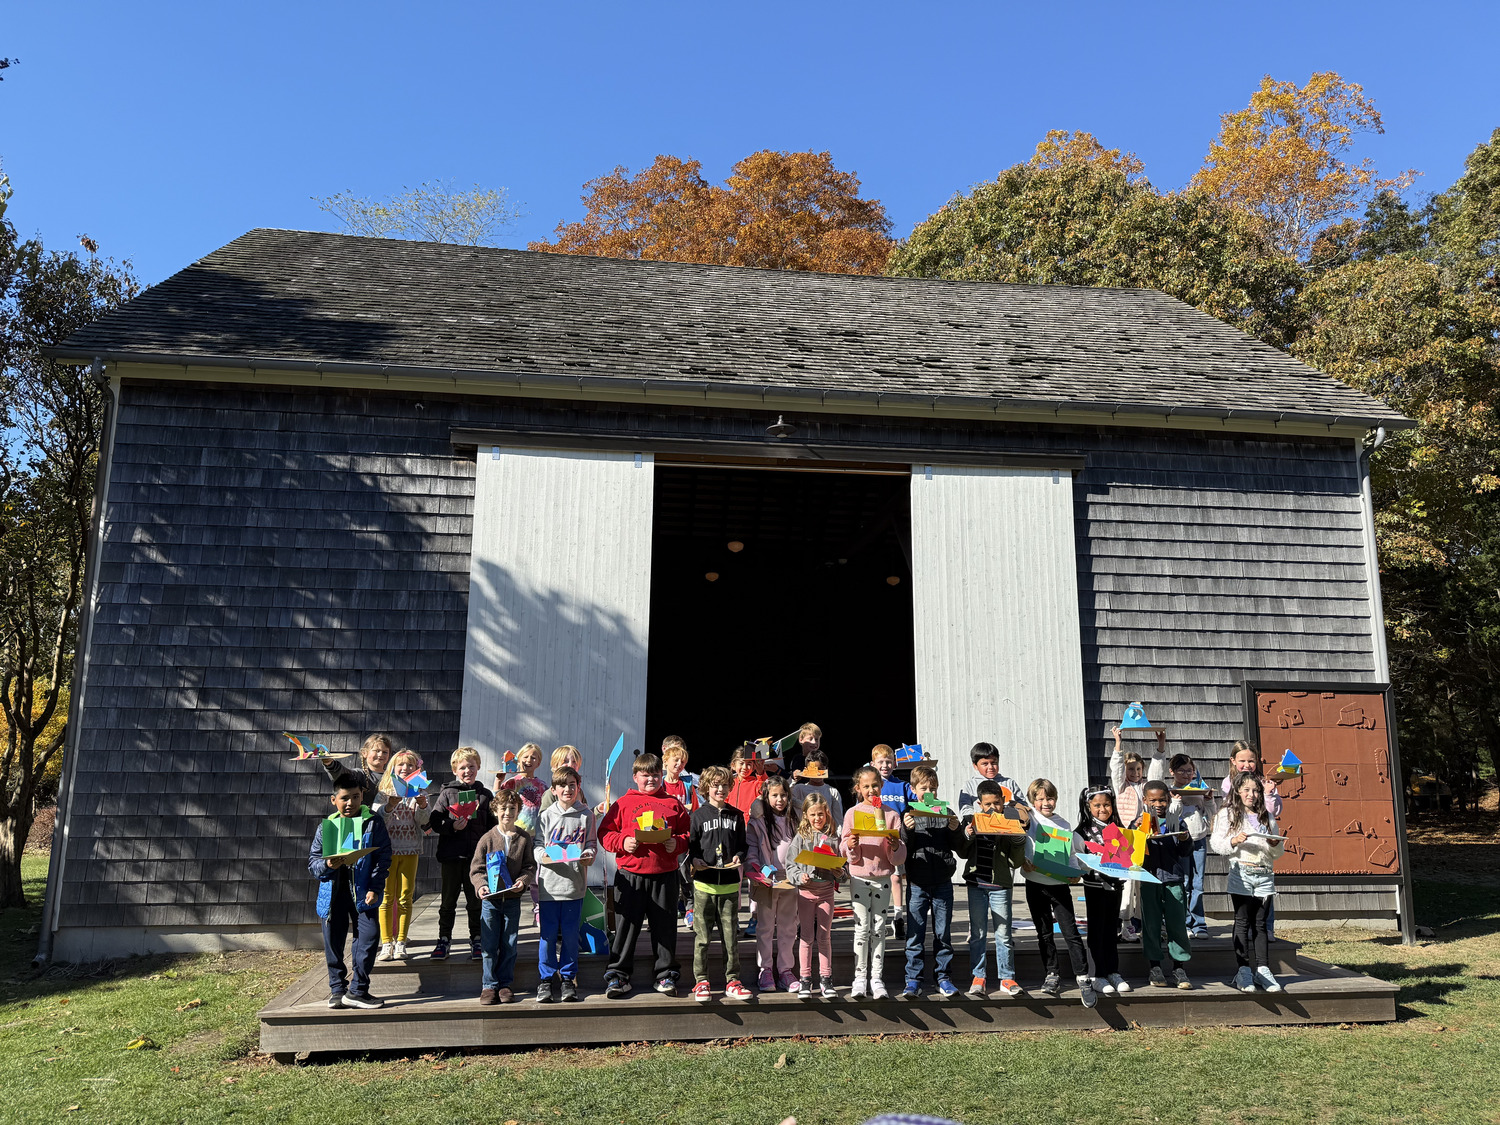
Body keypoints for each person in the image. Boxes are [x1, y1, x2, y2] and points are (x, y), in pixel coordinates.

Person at [598, 752, 691, 998]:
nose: (651, 780)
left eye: (655, 775)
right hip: (631, 876)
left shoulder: (673, 803)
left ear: (662, 776)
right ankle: (618, 975)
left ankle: (665, 975)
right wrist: (623, 841)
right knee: (626, 927)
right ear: (635, 777)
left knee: (665, 928)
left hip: (665, 875)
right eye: (645, 775)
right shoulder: (622, 803)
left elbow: (687, 834)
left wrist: (677, 844)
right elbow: (605, 833)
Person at [308, 773, 392, 1010]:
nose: (350, 803)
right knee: (333, 943)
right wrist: (327, 865)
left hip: (364, 893)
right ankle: (337, 990)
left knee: (368, 938)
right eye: (345, 798)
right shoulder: (326, 827)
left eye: (356, 797)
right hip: (333, 895)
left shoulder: (373, 822)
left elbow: (383, 858)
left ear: (362, 796)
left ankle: (358, 990)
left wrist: (375, 888)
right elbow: (313, 863)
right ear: (333, 799)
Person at [1020, 779, 1094, 1008]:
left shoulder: (1063, 824)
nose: (1046, 802)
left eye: (1049, 798)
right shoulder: (1028, 818)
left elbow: (1070, 852)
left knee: (1070, 931)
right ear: (1032, 800)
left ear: (1056, 799)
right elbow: (1015, 812)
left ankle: (1083, 977)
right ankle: (1051, 974)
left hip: (1059, 885)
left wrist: (1076, 872)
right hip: (1035, 883)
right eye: (1040, 798)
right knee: (1043, 933)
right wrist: (1023, 863)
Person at [1211, 772, 1286, 993]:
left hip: (1264, 873)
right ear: (1237, 791)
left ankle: (1263, 969)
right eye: (1246, 790)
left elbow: (1277, 852)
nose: (1251, 795)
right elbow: (1217, 843)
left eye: (1255, 790)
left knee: (1261, 923)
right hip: (1241, 872)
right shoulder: (1227, 814)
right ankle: (1243, 970)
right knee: (1242, 921)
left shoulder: (1267, 817)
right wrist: (1233, 840)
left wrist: (1274, 844)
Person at [1133, 779, 1208, 989]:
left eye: (1162, 800)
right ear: (1145, 800)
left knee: (1176, 924)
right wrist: (1137, 831)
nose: (1158, 804)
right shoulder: (1138, 823)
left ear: (1168, 800)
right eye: (1153, 800)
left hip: (1173, 879)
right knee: (1151, 924)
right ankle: (1155, 966)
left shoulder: (1177, 821)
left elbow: (1185, 852)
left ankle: (1179, 967)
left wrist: (1185, 839)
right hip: (1148, 879)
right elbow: (1132, 852)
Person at [898, 765, 966, 1000]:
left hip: (942, 882)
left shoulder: (945, 811)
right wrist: (907, 831)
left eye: (933, 788)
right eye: (924, 788)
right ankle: (913, 980)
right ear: (914, 789)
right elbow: (903, 848)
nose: (929, 792)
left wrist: (956, 830)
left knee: (943, 933)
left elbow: (959, 847)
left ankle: (943, 978)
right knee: (915, 933)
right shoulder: (908, 812)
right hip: (917, 882)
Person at [841, 765, 907, 999]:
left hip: (882, 878)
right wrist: (851, 847)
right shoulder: (852, 813)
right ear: (858, 788)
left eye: (875, 785)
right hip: (859, 877)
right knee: (861, 929)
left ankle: (876, 977)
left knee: (879, 928)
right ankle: (859, 977)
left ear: (882, 786)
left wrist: (896, 846)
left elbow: (898, 856)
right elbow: (844, 847)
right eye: (866, 786)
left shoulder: (891, 814)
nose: (871, 790)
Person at [687, 765, 752, 1001]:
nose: (720, 789)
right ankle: (701, 981)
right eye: (715, 785)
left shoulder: (736, 816)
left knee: (730, 938)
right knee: (702, 938)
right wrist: (694, 860)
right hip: (704, 885)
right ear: (705, 787)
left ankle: (733, 980)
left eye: (724, 785)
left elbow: (743, 846)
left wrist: (739, 857)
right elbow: (691, 847)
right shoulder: (698, 816)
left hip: (729, 885)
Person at [533, 765, 596, 1003]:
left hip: (573, 885)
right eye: (563, 786)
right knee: (547, 935)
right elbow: (538, 845)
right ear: (554, 790)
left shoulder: (586, 815)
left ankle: (568, 979)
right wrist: (543, 856)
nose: (568, 789)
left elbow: (591, 844)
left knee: (570, 934)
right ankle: (546, 980)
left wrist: (589, 854)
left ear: (578, 787)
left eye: (573, 785)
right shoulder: (545, 816)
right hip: (549, 886)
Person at [428, 746, 496, 962]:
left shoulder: (485, 795)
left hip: (476, 860)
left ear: (478, 768)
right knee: (448, 901)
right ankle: (444, 939)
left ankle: (477, 938)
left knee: (476, 901)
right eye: (463, 767)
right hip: (451, 857)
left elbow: (494, 827)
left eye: (472, 767)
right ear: (455, 770)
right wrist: (451, 826)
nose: (467, 771)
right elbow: (434, 821)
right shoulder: (447, 793)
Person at [961, 779, 1027, 997]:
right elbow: (962, 852)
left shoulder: (1009, 822)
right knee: (978, 933)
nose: (992, 808)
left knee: (1004, 933)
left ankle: (1007, 978)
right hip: (976, 884)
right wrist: (968, 836)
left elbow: (1015, 862)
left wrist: (1018, 841)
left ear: (1003, 802)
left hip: (1000, 885)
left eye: (996, 803)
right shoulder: (972, 821)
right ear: (979, 803)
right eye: (987, 804)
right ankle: (978, 976)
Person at [469, 789, 536, 1004]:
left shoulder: (524, 839)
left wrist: (523, 881)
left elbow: (529, 866)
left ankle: (505, 984)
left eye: (512, 809)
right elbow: (476, 869)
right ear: (495, 810)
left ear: (518, 812)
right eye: (503, 808)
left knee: (509, 943)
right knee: (489, 945)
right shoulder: (487, 839)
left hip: (513, 900)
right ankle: (489, 985)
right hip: (491, 901)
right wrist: (481, 887)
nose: (507, 812)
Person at [1221, 740, 1283, 940]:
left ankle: (1267, 927)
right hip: (1243, 844)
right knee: (1244, 890)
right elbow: (1233, 808)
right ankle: (1246, 927)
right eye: (1242, 761)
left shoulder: (1264, 783)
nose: (1247, 765)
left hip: (1263, 843)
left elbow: (1273, 812)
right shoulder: (1228, 782)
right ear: (1233, 761)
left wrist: (1270, 794)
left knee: (1266, 885)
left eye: (1251, 761)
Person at [1110, 725, 1167, 941]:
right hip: (1125, 839)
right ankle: (1124, 924)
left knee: (1144, 881)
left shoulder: (1146, 787)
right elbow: (1115, 768)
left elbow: (1157, 774)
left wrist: (1160, 748)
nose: (1134, 773)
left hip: (1145, 838)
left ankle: (1147, 924)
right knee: (1127, 883)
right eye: (1130, 769)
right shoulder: (1121, 787)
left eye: (1137, 769)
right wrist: (1118, 745)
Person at [787, 792, 845, 999]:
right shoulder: (800, 838)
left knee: (824, 936)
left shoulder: (833, 837)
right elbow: (790, 865)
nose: (817, 819)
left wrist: (840, 872)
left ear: (827, 814)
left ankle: (826, 979)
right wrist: (798, 876)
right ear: (805, 816)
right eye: (813, 815)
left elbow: (842, 868)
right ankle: (805, 980)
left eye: (821, 814)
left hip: (826, 892)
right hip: (806, 893)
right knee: (806, 937)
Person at [375, 749, 431, 962]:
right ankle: (386, 942)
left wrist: (423, 804)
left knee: (405, 897)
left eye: (410, 765)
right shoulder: (384, 791)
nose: (405, 769)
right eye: (401, 765)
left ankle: (401, 942)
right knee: (387, 898)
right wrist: (390, 804)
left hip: (410, 850)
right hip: (387, 852)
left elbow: (424, 823)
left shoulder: (419, 792)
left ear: (417, 770)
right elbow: (378, 820)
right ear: (392, 768)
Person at [747, 775, 801, 992]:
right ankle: (765, 969)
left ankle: (786, 970)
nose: (780, 799)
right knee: (765, 926)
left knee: (789, 926)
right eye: (774, 795)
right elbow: (752, 848)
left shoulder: (796, 818)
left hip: (791, 878)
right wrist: (756, 869)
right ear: (765, 796)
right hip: (767, 880)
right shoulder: (758, 821)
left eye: (783, 795)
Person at [1075, 785, 1130, 996]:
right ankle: (1096, 974)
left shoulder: (1117, 827)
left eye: (1106, 804)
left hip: (1115, 885)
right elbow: (1078, 860)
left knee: (1111, 929)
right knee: (1097, 930)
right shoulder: (1082, 832)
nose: (1102, 809)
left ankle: (1113, 971)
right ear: (1088, 806)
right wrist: (1091, 863)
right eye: (1097, 805)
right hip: (1095, 885)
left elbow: (1126, 853)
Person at [1165, 751, 1212, 937]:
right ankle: (1183, 922)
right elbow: (1170, 819)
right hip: (1181, 840)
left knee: (1198, 882)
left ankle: (1199, 923)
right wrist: (1176, 801)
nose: (1186, 775)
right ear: (1172, 772)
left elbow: (1209, 811)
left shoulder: (1198, 788)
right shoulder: (1169, 792)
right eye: (1181, 771)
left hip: (1199, 839)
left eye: (1189, 771)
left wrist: (1209, 800)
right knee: (1183, 881)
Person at [872, 744, 915, 940]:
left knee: (897, 878)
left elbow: (921, 798)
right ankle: (877, 918)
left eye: (889, 761)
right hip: (874, 839)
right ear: (873, 764)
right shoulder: (871, 785)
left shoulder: (902, 786)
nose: (885, 765)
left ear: (895, 763)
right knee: (877, 880)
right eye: (881, 762)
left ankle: (898, 917)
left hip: (896, 838)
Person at [660, 736, 699, 926]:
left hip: (682, 836)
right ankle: (665, 910)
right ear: (665, 761)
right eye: (675, 760)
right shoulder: (659, 783)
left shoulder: (688, 784)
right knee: (666, 874)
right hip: (663, 836)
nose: (678, 764)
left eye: (682, 761)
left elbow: (697, 810)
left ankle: (690, 909)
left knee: (685, 873)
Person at [322, 733, 394, 811]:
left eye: (385, 752)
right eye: (377, 751)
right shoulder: (359, 775)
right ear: (364, 753)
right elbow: (343, 775)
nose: (380, 754)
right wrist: (330, 764)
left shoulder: (392, 777)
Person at [956, 742, 1027, 818]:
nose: (990, 767)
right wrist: (977, 819)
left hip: (1008, 825)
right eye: (985, 764)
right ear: (975, 766)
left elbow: (1022, 805)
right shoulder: (970, 785)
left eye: (994, 763)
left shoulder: (1009, 783)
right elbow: (965, 808)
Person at [498, 741, 547, 836]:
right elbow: (497, 800)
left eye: (533, 758)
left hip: (536, 835)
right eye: (525, 757)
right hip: (515, 833)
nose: (528, 760)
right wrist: (498, 781)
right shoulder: (512, 783)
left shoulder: (543, 786)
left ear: (538, 763)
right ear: (518, 760)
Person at [792, 747, 843, 824]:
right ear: (806, 770)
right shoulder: (799, 788)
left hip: (827, 834)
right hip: (805, 833)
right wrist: (793, 780)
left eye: (820, 769)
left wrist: (837, 835)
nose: (817, 773)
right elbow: (788, 799)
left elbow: (838, 819)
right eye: (813, 769)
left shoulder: (833, 792)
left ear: (827, 769)